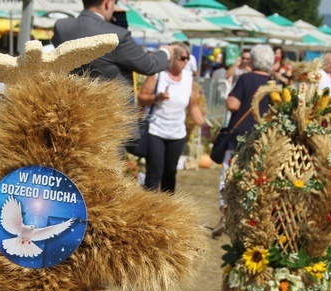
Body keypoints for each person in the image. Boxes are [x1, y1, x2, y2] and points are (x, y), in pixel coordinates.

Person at [212, 44, 273, 237]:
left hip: (239, 136)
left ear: (253, 60)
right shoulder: (275, 84)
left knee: (229, 175)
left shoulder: (246, 79)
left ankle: (224, 215)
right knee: (255, 177)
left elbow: (233, 104)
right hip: (264, 138)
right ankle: (251, 219)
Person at [52, 0, 179, 87]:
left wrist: (117, 25)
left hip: (75, 113)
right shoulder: (118, 35)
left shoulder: (62, 27)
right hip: (112, 116)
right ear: (107, 3)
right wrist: (167, 51)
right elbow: (150, 65)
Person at [137, 43, 206, 193]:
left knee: (170, 173)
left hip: (177, 133)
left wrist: (203, 124)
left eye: (188, 58)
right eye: (182, 58)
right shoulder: (158, 74)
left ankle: (168, 212)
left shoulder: (188, 79)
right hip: (156, 130)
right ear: (172, 58)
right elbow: (142, 97)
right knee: (155, 172)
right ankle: (148, 209)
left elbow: (193, 106)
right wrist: (156, 98)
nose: (186, 61)